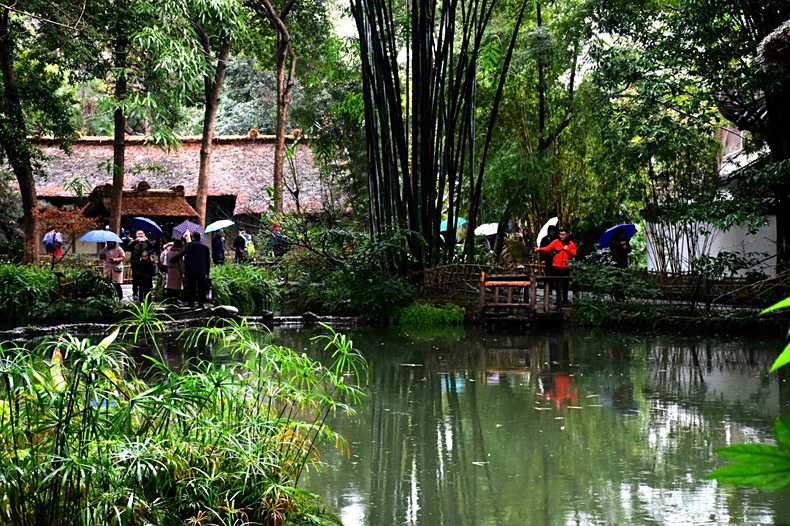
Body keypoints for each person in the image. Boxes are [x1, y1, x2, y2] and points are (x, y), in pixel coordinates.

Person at [535, 226, 576, 306]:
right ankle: (558, 300)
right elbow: (547, 248)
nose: (561, 236)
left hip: (565, 267)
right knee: (557, 285)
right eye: (560, 234)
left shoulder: (570, 243)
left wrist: (567, 249)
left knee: (565, 284)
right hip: (556, 266)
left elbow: (574, 254)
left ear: (567, 235)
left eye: (563, 234)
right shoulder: (556, 241)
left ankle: (565, 300)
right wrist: (539, 249)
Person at [171, 232, 211, 307]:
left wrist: (172, 260)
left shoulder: (188, 246)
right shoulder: (205, 248)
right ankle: (201, 303)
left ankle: (191, 303)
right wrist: (207, 273)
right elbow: (208, 261)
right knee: (201, 288)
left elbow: (181, 254)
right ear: (199, 238)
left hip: (190, 270)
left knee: (191, 287)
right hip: (201, 271)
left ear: (193, 238)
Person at [128, 230, 155, 300]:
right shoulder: (133, 242)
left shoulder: (147, 242)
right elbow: (128, 247)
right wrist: (135, 241)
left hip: (145, 264)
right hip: (135, 264)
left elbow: (152, 248)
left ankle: (147, 295)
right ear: (136, 235)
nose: (140, 235)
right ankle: (135, 293)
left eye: (141, 233)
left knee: (146, 280)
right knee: (135, 280)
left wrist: (147, 241)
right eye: (138, 234)